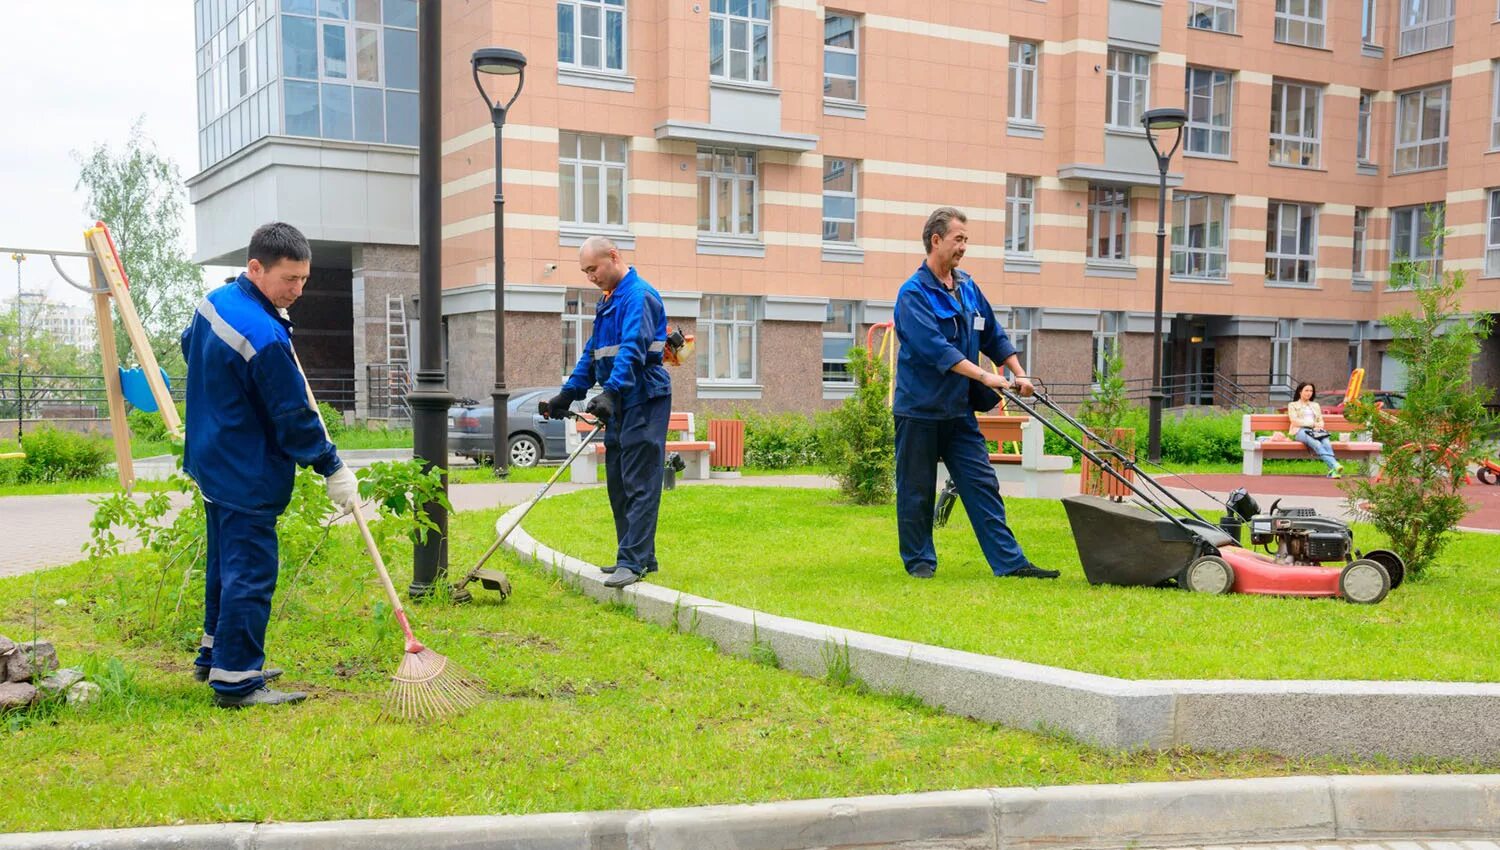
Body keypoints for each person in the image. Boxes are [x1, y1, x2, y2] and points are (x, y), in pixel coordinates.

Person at [181, 222, 358, 708]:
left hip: (212, 457)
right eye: (288, 280)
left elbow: (187, 345)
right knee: (250, 572)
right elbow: (294, 416)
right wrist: (331, 466)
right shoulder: (264, 334)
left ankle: (217, 655)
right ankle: (237, 680)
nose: (297, 290)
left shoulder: (215, 303)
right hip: (244, 469)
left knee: (223, 564)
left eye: (304, 279)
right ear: (255, 267)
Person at [892, 207, 1058, 580]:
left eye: (966, 240)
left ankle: (1010, 563)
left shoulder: (967, 287)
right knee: (916, 490)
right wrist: (986, 376)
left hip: (958, 411)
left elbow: (993, 334)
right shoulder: (913, 294)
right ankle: (920, 562)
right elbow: (937, 349)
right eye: (959, 239)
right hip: (919, 411)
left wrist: (1019, 372)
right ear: (936, 240)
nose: (964, 247)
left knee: (982, 484)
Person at [540, 236, 671, 588]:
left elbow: (632, 348)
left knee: (639, 481)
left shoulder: (639, 296)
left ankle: (632, 560)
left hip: (643, 396)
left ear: (613, 257)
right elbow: (593, 352)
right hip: (621, 400)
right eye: (585, 272)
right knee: (619, 482)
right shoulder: (608, 301)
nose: (590, 277)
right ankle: (639, 556)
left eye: (593, 269)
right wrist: (569, 393)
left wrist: (611, 391)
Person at [1287, 381, 1342, 478]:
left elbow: (1321, 421)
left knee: (1327, 443)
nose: (1309, 393)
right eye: (1306, 390)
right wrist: (1313, 424)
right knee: (1316, 444)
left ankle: (1333, 471)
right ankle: (1335, 464)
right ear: (1300, 391)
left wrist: (1319, 426)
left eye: (1311, 391)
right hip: (1300, 431)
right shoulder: (1292, 405)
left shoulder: (1315, 405)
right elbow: (1295, 421)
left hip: (1316, 431)